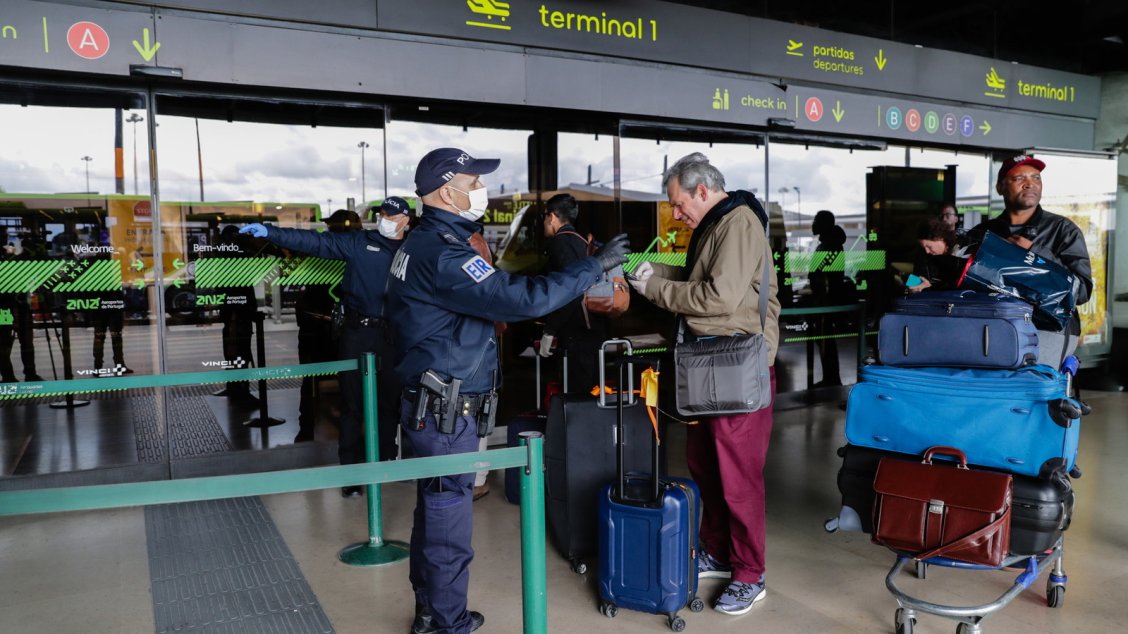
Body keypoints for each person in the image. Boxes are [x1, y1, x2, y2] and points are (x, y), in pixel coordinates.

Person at [387, 147, 628, 634]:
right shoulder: (444, 253)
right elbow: (517, 301)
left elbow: (497, 287)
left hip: (431, 405)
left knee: (434, 512)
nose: (481, 189)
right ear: (444, 192)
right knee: (448, 522)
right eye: (473, 181)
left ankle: (432, 609)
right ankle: (446, 622)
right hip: (444, 412)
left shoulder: (425, 244)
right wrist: (593, 266)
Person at [627, 152, 779, 617]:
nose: (675, 214)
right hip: (708, 367)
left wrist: (653, 288)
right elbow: (697, 279)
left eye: (677, 204)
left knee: (738, 477)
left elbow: (718, 297)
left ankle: (751, 574)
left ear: (701, 190)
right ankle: (718, 550)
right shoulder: (713, 225)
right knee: (706, 466)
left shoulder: (737, 224)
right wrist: (644, 269)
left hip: (737, 367)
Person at [241, 198, 411, 495]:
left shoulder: (415, 250)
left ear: (406, 220)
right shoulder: (360, 243)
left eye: (391, 215)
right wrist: (271, 233)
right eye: (381, 214)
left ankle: (384, 465)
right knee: (352, 406)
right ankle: (351, 477)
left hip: (394, 337)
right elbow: (315, 242)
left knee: (389, 406)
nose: (384, 218)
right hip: (358, 332)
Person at [966, 155, 1093, 366]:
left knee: (1036, 394)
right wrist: (921, 284)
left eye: (1036, 178)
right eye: (1019, 178)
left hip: (1048, 331)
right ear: (1000, 187)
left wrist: (1035, 253)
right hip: (996, 327)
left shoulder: (1063, 230)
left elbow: (1081, 291)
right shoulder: (984, 233)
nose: (1030, 184)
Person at [291, 209, 361, 443]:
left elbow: (304, 295)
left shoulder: (323, 253)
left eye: (332, 227)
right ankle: (343, 430)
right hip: (335, 328)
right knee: (348, 381)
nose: (328, 231)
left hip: (321, 327)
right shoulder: (358, 254)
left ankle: (309, 429)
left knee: (312, 380)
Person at [538, 193, 606, 394]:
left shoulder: (561, 243)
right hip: (594, 328)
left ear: (552, 217)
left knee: (578, 398)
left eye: (544, 217)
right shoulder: (582, 241)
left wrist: (549, 330)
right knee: (592, 396)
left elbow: (570, 291)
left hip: (578, 334)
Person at [213, 225, 259, 405]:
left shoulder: (234, 255)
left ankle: (239, 389)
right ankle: (236, 388)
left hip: (238, 311)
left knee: (238, 352)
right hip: (236, 311)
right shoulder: (235, 255)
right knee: (235, 351)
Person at [808, 210, 846, 388]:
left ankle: (831, 378)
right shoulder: (832, 244)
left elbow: (822, 275)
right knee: (826, 340)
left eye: (816, 220)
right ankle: (830, 377)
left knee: (826, 340)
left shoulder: (829, 246)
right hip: (826, 300)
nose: (813, 224)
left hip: (826, 301)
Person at [908, 219, 965, 293]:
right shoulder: (922, 255)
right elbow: (913, 281)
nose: (927, 251)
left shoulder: (962, 250)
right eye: (923, 247)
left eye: (929, 246)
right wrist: (911, 288)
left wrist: (931, 286)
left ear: (940, 238)